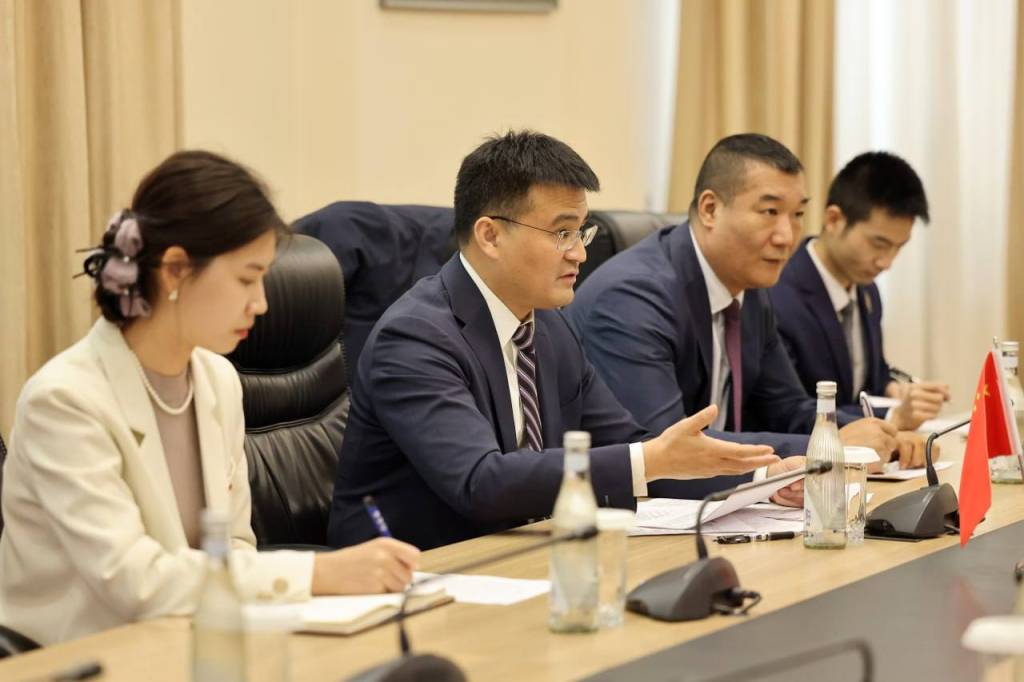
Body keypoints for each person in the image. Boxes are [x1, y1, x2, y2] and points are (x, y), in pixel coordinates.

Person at [0, 151, 419, 646]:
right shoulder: (64, 400)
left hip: (190, 640)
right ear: (175, 270)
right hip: (83, 657)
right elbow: (134, 582)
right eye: (246, 278)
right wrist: (318, 574)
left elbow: (234, 547)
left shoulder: (218, 380)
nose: (261, 303)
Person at [327, 130, 798, 552]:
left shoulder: (549, 325)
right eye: (562, 233)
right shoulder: (415, 337)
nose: (580, 253)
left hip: (523, 557)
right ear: (490, 236)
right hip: (412, 572)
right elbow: (479, 481)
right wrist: (648, 459)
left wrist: (759, 479)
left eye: (581, 231)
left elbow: (627, 444)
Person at [568, 133, 915, 500]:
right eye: (770, 212)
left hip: (718, 507)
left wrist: (882, 434)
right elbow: (663, 446)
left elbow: (787, 408)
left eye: (797, 215)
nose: (787, 236)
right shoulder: (634, 295)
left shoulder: (748, 291)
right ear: (710, 209)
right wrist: (828, 444)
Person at [770, 151, 950, 434]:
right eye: (879, 244)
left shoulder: (868, 292)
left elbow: (870, 379)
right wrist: (892, 415)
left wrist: (894, 390)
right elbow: (789, 411)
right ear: (834, 220)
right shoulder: (776, 293)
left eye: (899, 247)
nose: (887, 262)